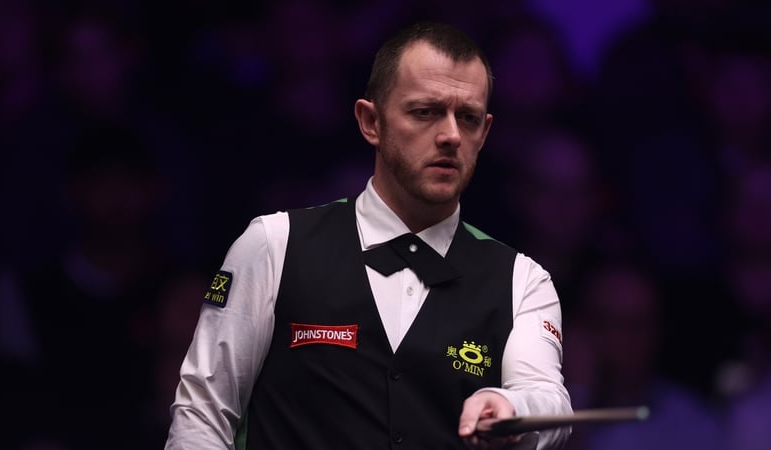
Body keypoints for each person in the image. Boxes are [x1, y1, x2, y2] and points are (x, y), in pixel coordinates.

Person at [165, 21, 572, 450]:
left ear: (484, 133)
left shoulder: (522, 280)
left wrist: (510, 405)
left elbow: (548, 400)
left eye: (468, 118)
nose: (451, 135)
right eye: (425, 112)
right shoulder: (274, 244)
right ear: (371, 121)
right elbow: (202, 414)